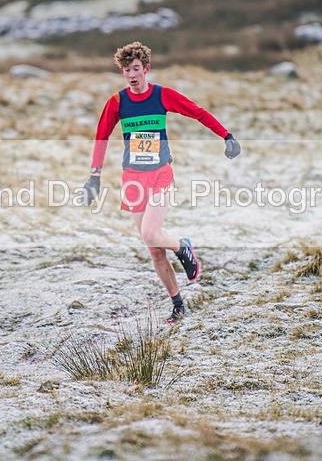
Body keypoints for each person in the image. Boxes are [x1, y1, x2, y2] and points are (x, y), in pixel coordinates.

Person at [82, 41, 241, 324]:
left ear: (146, 69)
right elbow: (101, 136)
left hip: (160, 176)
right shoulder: (117, 103)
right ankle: (177, 304)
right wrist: (94, 176)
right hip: (133, 179)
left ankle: (182, 247)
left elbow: (198, 112)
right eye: (126, 70)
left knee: (151, 234)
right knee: (154, 250)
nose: (131, 75)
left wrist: (226, 136)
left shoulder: (162, 96)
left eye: (136, 69)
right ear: (121, 72)